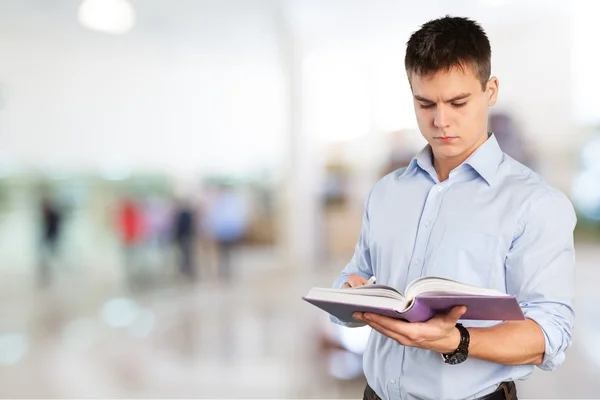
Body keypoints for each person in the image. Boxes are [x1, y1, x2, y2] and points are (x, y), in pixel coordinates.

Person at [331, 16, 576, 400]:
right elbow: (356, 277)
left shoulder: (535, 203)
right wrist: (347, 295)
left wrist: (457, 339)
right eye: (425, 103)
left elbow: (550, 333)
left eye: (457, 102)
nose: (440, 121)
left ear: (490, 90)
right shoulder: (386, 193)